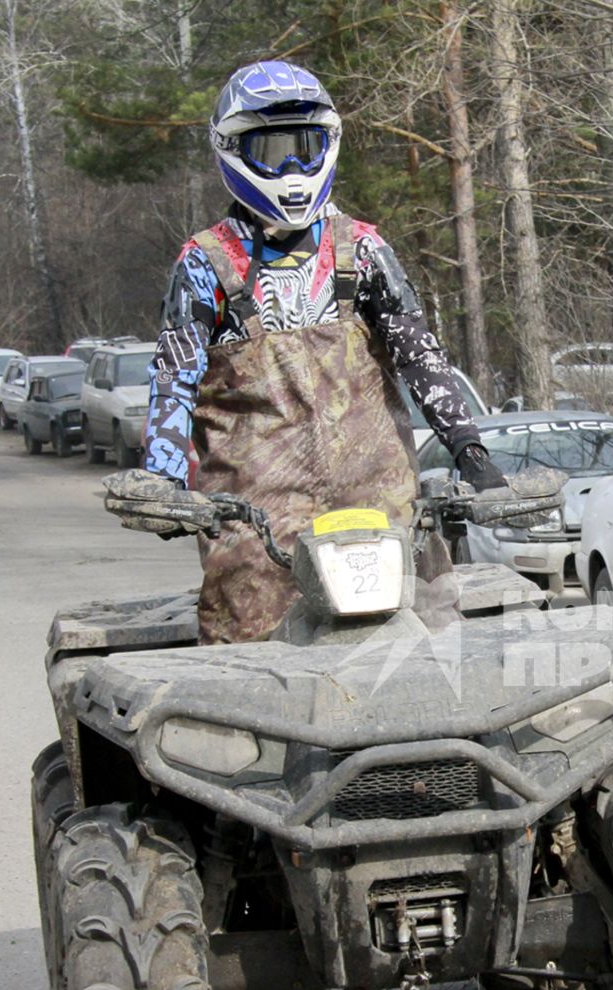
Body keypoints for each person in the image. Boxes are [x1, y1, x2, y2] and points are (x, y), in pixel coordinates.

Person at [103, 60, 505, 643]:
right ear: (233, 151)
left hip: (381, 513)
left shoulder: (361, 250)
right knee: (245, 663)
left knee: (433, 641)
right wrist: (164, 480)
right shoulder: (207, 264)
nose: (291, 169)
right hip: (258, 525)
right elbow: (175, 378)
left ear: (330, 146)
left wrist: (471, 451)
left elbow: (420, 356)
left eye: (305, 148)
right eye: (271, 151)